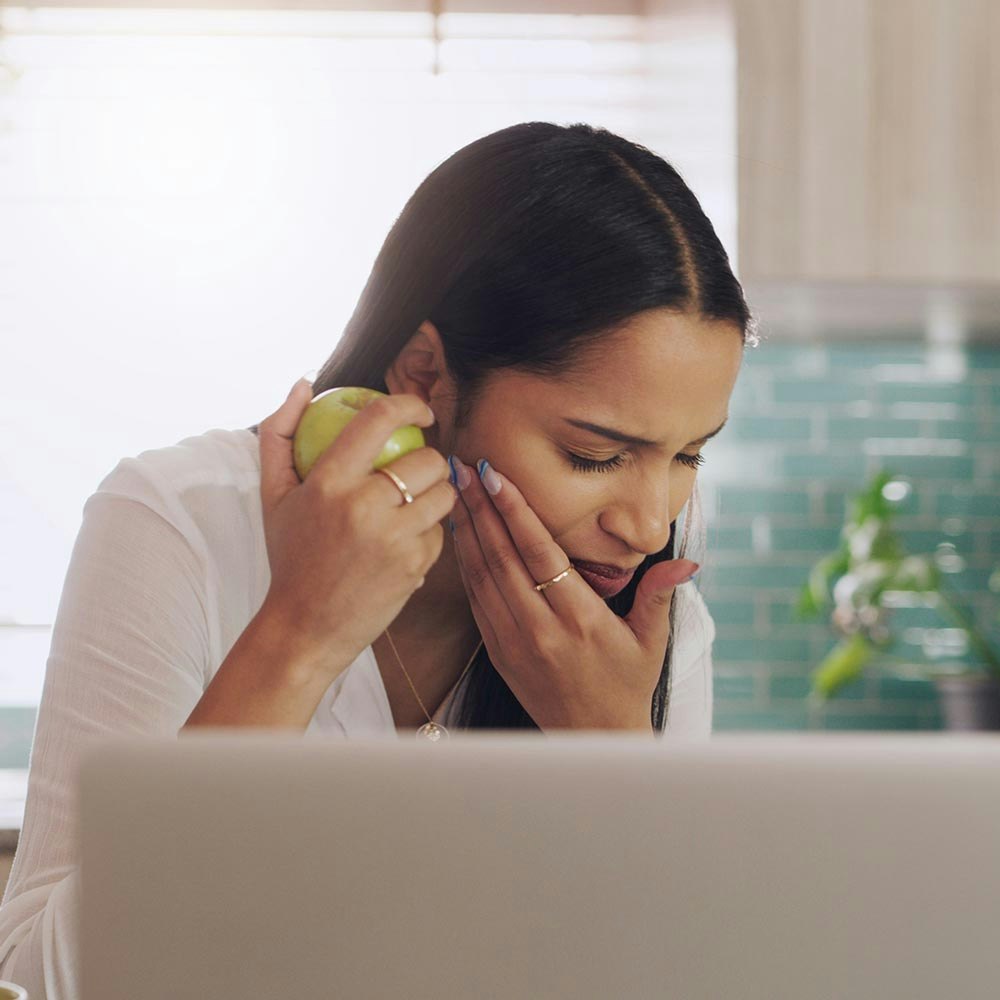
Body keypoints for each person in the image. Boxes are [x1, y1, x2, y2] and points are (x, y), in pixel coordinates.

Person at [0, 120, 754, 997]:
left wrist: (615, 751)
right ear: (426, 376)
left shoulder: (646, 633)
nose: (650, 524)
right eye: (595, 455)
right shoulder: (183, 524)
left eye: (690, 455)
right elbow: (45, 985)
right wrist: (300, 635)